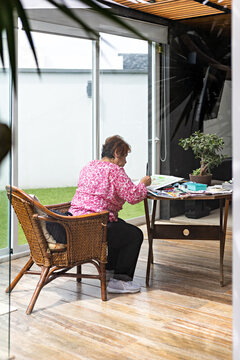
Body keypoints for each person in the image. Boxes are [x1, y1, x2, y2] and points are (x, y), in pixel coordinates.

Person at [69, 135, 151, 294]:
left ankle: (109, 271)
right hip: (96, 225)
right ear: (116, 153)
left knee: (118, 226)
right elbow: (133, 197)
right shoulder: (115, 170)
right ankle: (121, 280)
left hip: (75, 222)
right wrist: (143, 184)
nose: (125, 161)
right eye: (124, 156)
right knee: (134, 235)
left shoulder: (89, 166)